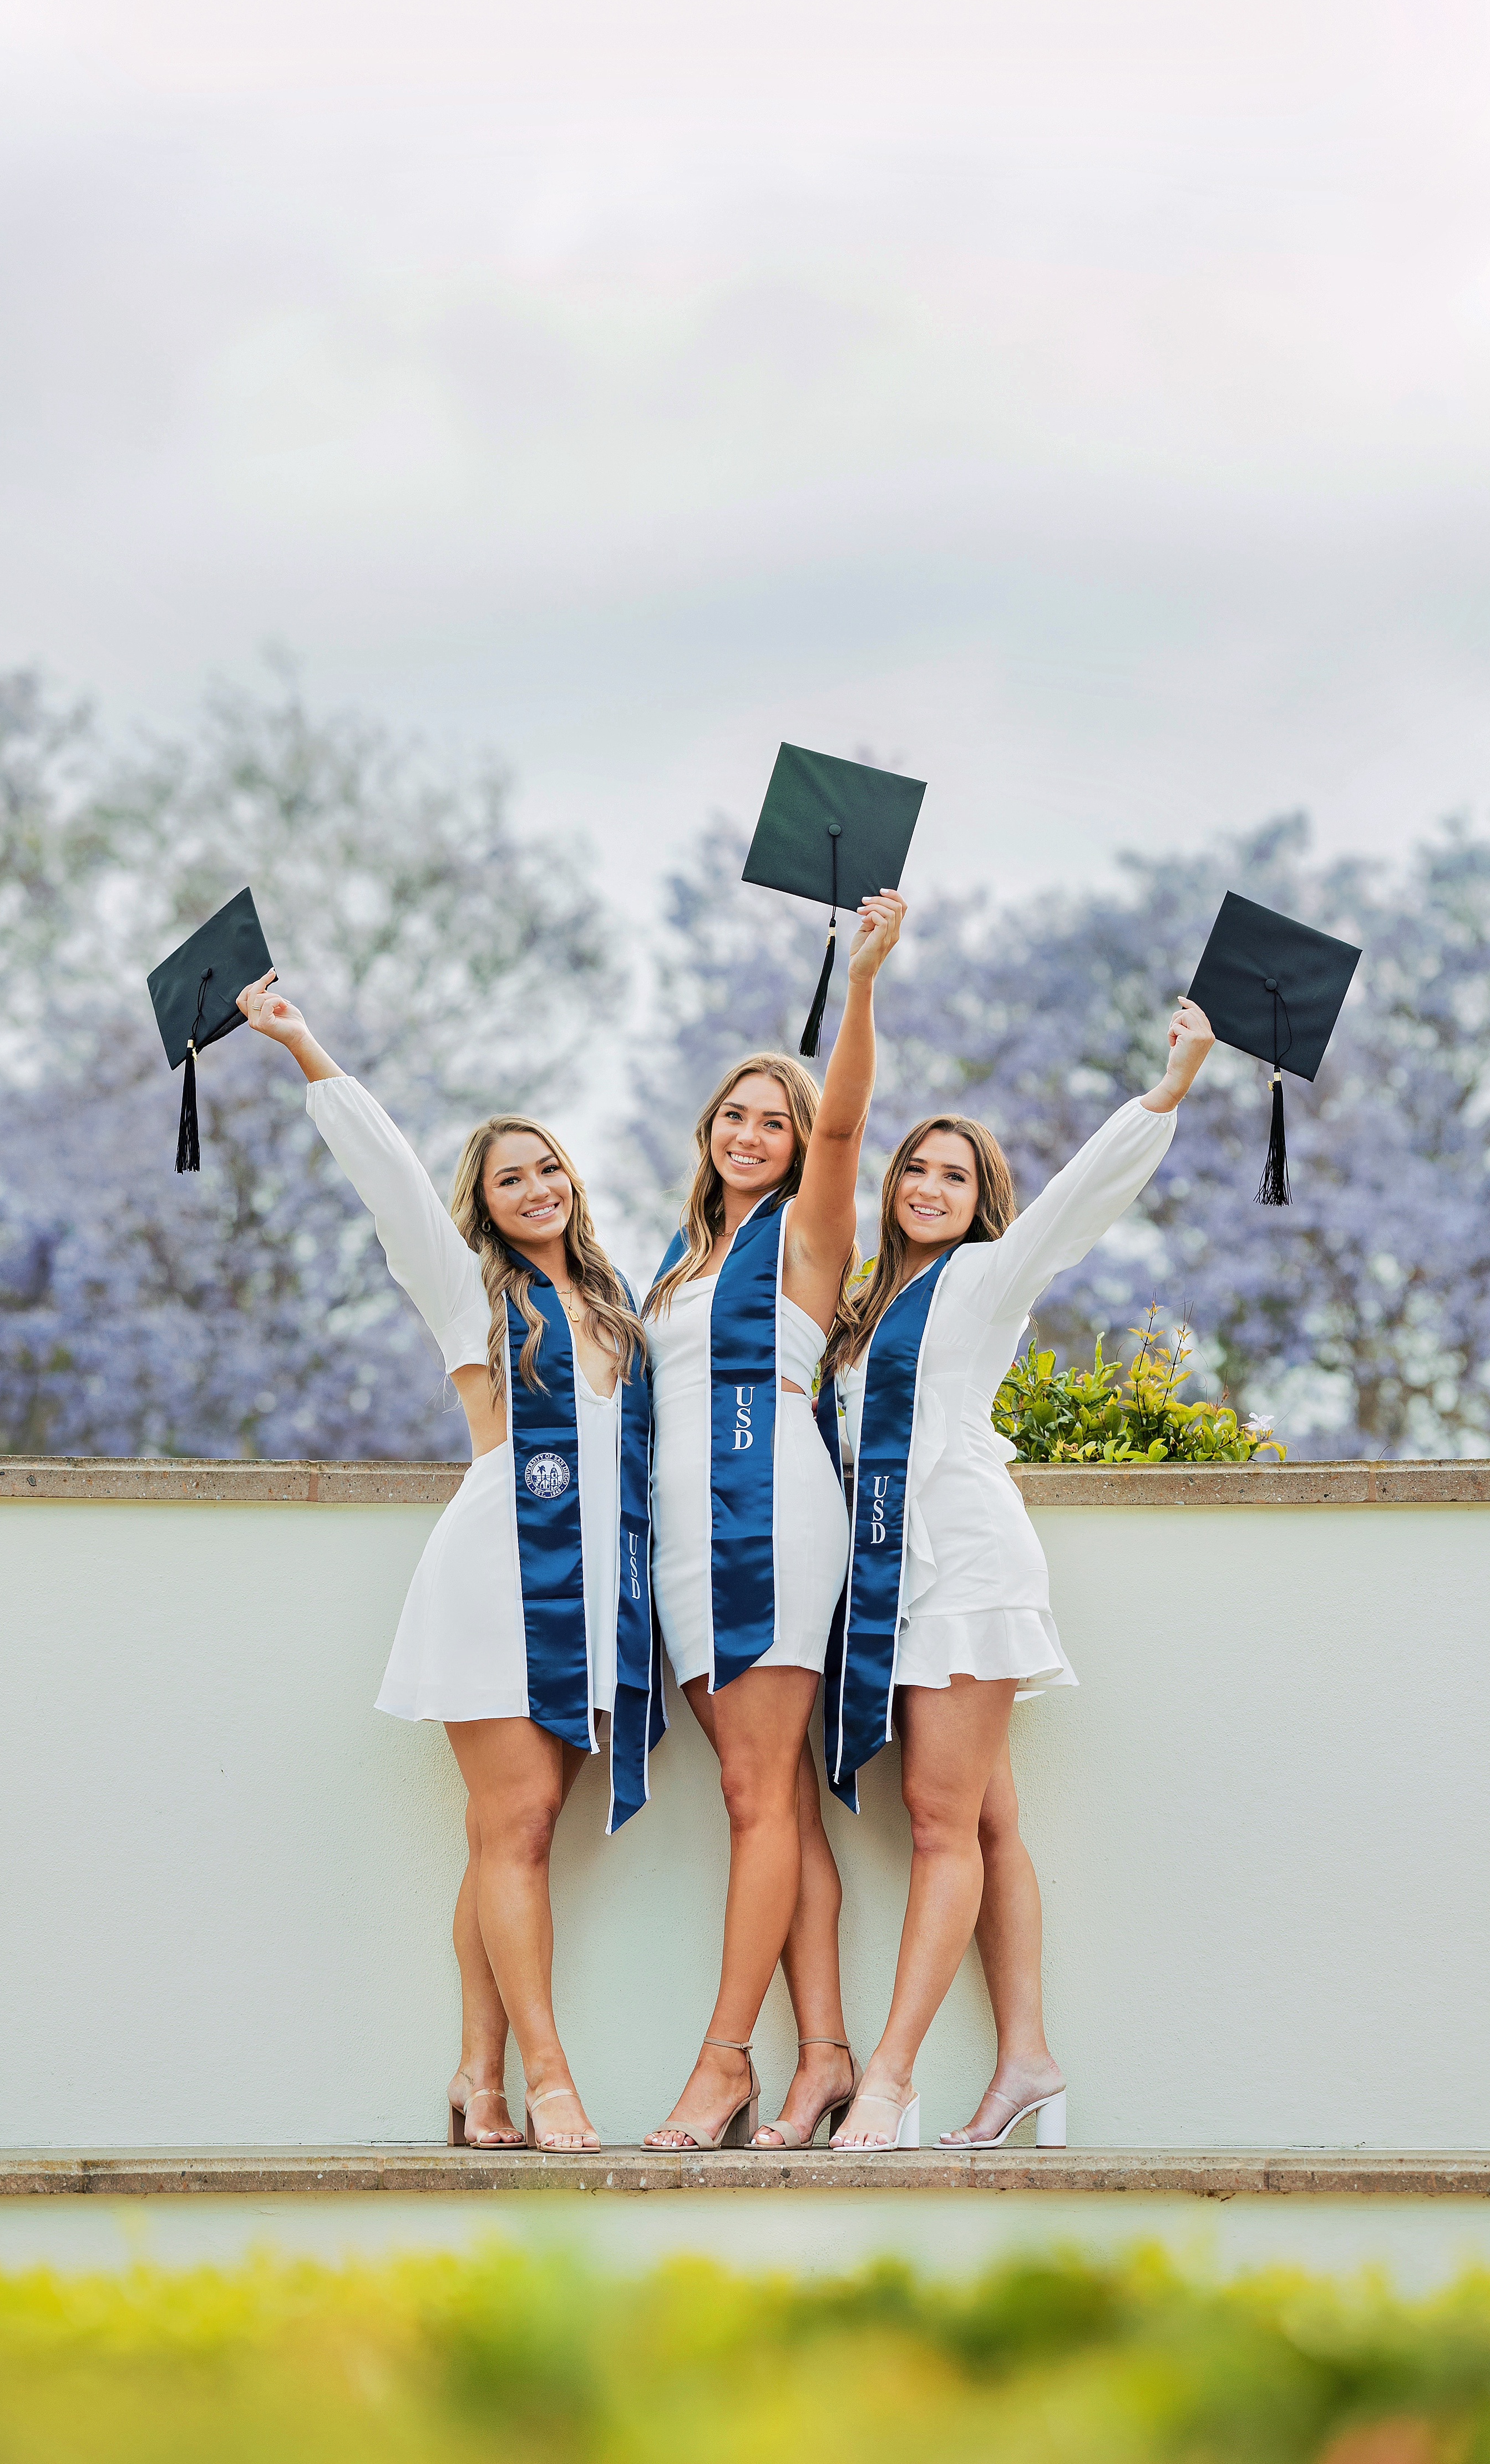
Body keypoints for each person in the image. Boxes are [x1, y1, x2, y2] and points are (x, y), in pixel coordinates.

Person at [237, 970, 661, 2157]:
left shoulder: (619, 1307)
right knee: (516, 1830)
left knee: (511, 1837)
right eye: (509, 1177)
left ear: (574, 1181)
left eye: (548, 1167)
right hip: (497, 1583)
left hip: (594, 1596)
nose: (536, 1187)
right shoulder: (468, 1287)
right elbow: (390, 1181)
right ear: (483, 1204)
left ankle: (478, 2077)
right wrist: (305, 1047)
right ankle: (550, 2078)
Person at [822, 997, 1216, 2151]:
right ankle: (1029, 2062)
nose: (929, 1186)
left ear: (981, 1198)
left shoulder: (989, 1277)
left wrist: (1167, 1091)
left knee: (939, 1824)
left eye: (955, 1175)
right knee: (988, 1824)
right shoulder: (864, 1309)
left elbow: (1080, 1201)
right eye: (916, 1168)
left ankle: (890, 2080)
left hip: (966, 1571)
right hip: (894, 1584)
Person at [640, 891, 906, 2152]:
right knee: (777, 1802)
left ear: (800, 1144)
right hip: (683, 1541)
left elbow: (848, 1119)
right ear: (708, 1131)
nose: (752, 1133)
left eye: (775, 1120)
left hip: (770, 1525)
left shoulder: (807, 1236)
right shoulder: (682, 1260)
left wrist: (861, 984)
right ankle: (825, 2057)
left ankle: (723, 2064)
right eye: (735, 1115)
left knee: (755, 1799)